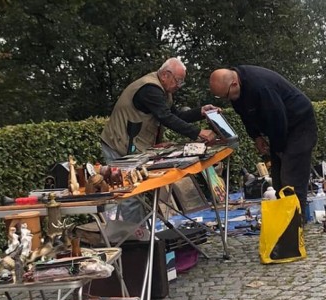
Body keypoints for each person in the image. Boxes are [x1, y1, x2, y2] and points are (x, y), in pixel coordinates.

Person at [101, 57, 217, 222]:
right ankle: (136, 239)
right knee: (130, 193)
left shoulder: (163, 90)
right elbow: (166, 117)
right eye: (178, 81)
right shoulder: (150, 89)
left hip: (132, 145)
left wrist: (200, 112)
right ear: (165, 75)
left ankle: (140, 234)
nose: (179, 85)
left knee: (136, 193)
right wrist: (198, 132)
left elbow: (176, 115)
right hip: (118, 144)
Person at [209, 66, 317, 217]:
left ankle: (295, 227)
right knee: (279, 180)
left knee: (291, 180)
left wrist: (278, 149)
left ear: (234, 83)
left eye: (226, 95)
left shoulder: (261, 87)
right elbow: (245, 115)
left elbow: (278, 119)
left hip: (299, 124)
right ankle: (284, 221)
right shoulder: (237, 91)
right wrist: (256, 137)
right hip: (280, 126)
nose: (227, 100)